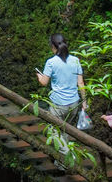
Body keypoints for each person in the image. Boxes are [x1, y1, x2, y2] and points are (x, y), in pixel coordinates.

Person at [36, 32, 87, 160]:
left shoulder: (51, 62)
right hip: (74, 104)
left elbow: (44, 83)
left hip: (58, 105)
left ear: (52, 46)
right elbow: (81, 83)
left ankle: (70, 156)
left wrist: (39, 76)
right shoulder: (75, 60)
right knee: (63, 131)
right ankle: (62, 163)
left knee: (52, 132)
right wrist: (84, 102)